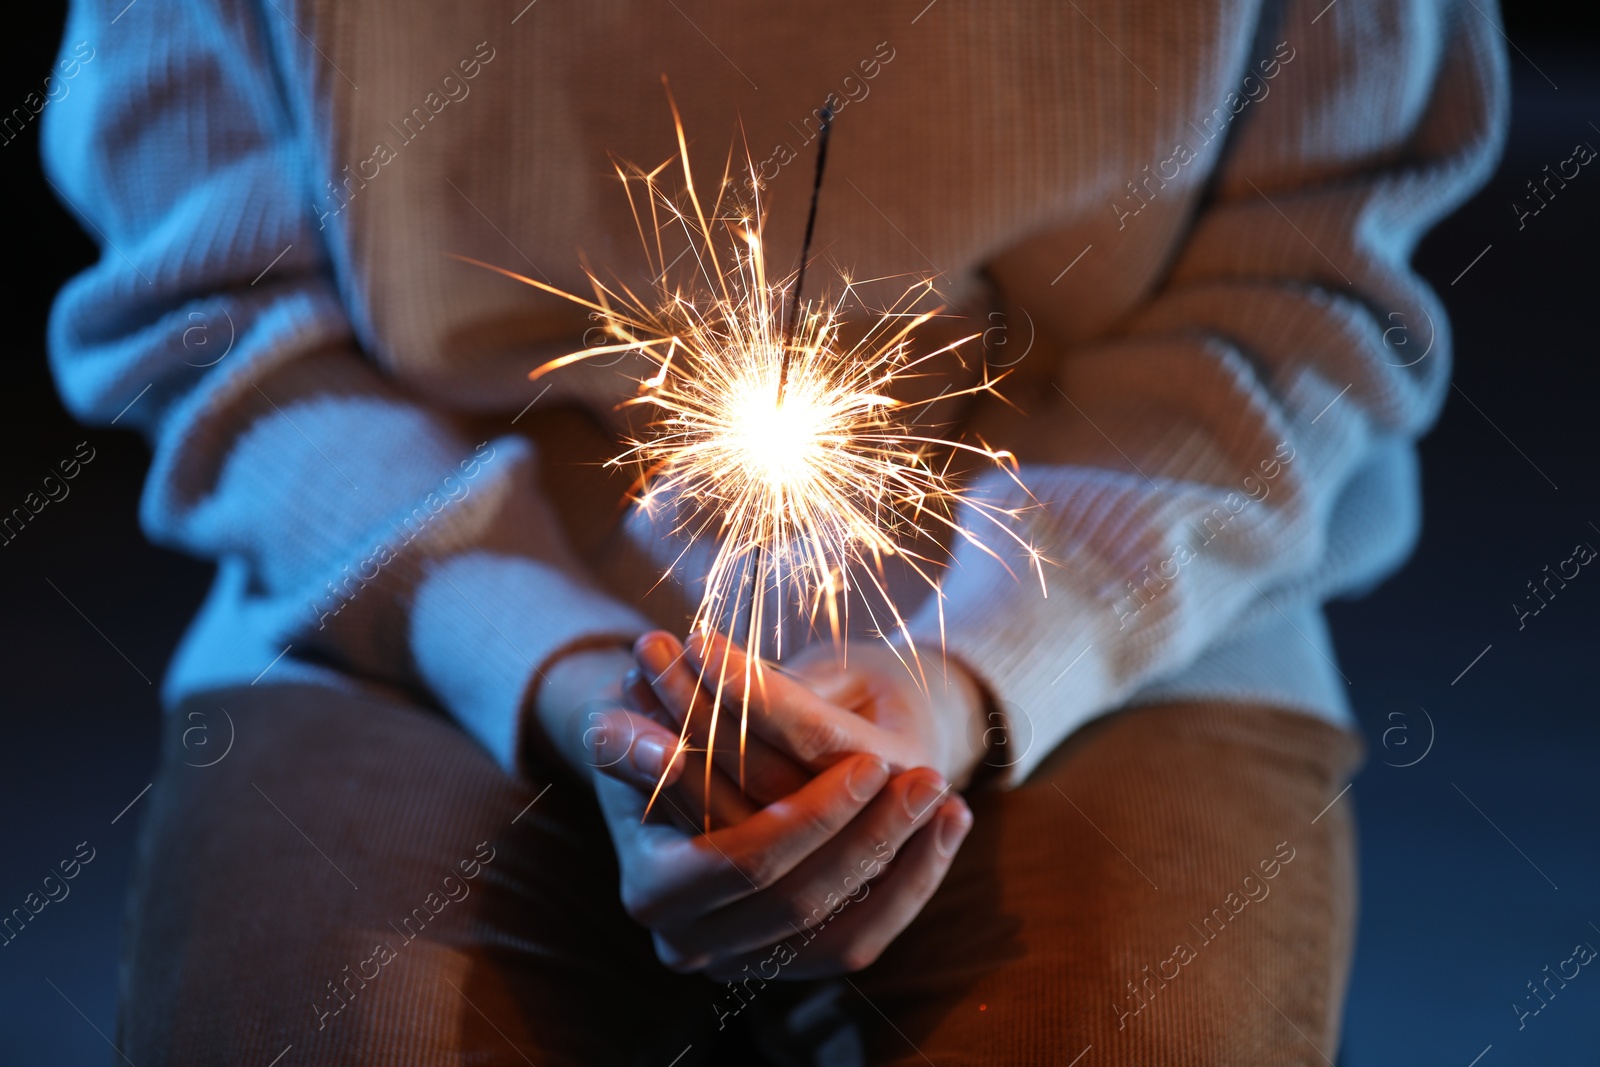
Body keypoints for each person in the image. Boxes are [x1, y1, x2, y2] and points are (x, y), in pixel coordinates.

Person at [45, 0, 1505, 1062]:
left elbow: (1302, 301)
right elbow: (219, 314)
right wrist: (545, 660)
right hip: (395, 595)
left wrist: (971, 677)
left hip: (1128, 605)